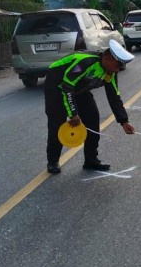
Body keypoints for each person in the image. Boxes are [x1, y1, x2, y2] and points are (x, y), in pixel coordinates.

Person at [44, 39, 136, 174]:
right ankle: (52, 162)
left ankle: (91, 160)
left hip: (78, 89)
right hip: (57, 87)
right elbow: (67, 88)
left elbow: (114, 96)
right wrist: (73, 113)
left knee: (92, 118)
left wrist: (124, 121)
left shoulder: (110, 72)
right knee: (57, 124)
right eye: (117, 64)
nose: (118, 69)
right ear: (106, 58)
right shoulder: (84, 62)